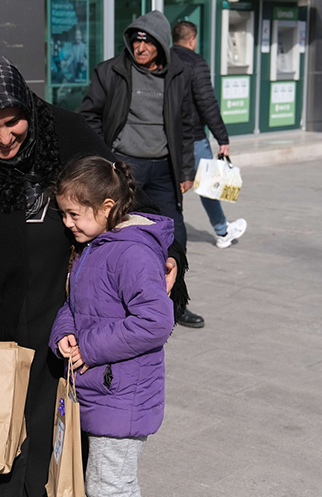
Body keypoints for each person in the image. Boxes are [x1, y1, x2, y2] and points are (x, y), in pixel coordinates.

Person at [0, 54, 186, 497]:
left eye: (13, 122)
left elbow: (123, 197)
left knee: (49, 442)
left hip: (57, 317)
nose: (6, 138)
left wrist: (171, 254)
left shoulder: (63, 131)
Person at [49, 156, 174, 497]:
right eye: (63, 213)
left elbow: (156, 321)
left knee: (110, 486)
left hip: (122, 394)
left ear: (106, 207)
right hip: (102, 391)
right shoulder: (93, 247)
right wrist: (64, 333)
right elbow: (75, 302)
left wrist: (88, 348)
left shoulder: (130, 253)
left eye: (74, 214)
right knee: (105, 483)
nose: (66, 223)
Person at [79, 11, 205, 329]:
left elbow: (188, 125)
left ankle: (175, 302)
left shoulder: (178, 75)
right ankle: (115, 302)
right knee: (117, 234)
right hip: (125, 167)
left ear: (161, 43)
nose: (140, 46)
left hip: (165, 168)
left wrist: (186, 170)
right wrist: (106, 158)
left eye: (147, 41)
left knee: (175, 234)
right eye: (136, 39)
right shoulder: (111, 71)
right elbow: (89, 115)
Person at [171, 21, 247, 249]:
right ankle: (223, 231)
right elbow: (207, 103)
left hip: (167, 136)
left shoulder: (164, 60)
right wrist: (222, 138)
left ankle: (162, 230)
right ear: (192, 40)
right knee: (209, 185)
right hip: (192, 137)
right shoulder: (195, 63)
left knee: (170, 187)